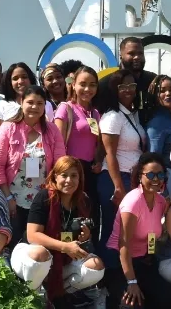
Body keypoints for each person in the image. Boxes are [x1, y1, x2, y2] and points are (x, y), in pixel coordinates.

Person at [11, 156, 106, 305]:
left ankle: (58, 293)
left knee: (96, 266)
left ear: (80, 178)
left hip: (62, 259)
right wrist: (64, 246)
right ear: (55, 176)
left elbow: (81, 241)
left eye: (74, 175)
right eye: (64, 175)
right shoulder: (44, 197)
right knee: (40, 254)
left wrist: (84, 238)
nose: (69, 180)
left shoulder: (84, 201)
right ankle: (33, 295)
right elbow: (32, 235)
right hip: (30, 255)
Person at [0, 85, 66, 251]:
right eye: (30, 102)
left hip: (42, 198)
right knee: (12, 241)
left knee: (36, 244)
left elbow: (60, 164)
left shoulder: (52, 130)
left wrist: (53, 193)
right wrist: (8, 198)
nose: (34, 107)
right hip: (12, 197)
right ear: (21, 102)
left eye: (40, 103)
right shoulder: (8, 128)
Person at [107, 152, 171, 309]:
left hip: (143, 260)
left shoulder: (160, 202)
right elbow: (123, 244)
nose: (156, 179)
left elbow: (152, 234)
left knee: (168, 298)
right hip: (120, 262)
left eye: (160, 174)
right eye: (151, 174)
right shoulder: (133, 202)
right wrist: (131, 282)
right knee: (133, 305)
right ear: (140, 176)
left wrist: (150, 254)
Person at [97, 69, 149, 269]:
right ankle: (106, 277)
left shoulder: (132, 114)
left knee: (128, 231)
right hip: (116, 180)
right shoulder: (113, 116)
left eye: (131, 86)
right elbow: (110, 154)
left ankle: (125, 273)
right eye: (122, 86)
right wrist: (119, 187)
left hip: (133, 179)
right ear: (114, 90)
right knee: (113, 230)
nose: (128, 90)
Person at [53, 66, 101, 235]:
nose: (87, 89)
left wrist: (98, 160)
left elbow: (96, 143)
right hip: (70, 171)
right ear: (73, 85)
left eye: (92, 85)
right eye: (83, 84)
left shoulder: (95, 113)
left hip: (89, 172)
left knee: (89, 215)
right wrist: (65, 172)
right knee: (68, 215)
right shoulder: (65, 108)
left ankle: (88, 254)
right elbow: (57, 144)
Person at [98, 38, 157, 119]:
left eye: (140, 53)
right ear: (121, 56)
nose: (137, 57)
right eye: (131, 53)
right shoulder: (105, 84)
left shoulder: (153, 80)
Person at [0, 62, 53, 136]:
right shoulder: (0, 106)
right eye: (15, 78)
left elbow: (50, 134)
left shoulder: (47, 104)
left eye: (24, 77)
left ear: (30, 79)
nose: (20, 81)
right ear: (10, 83)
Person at [145, 74, 171, 197]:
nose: (168, 94)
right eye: (162, 91)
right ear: (155, 95)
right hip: (167, 178)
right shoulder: (156, 123)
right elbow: (154, 156)